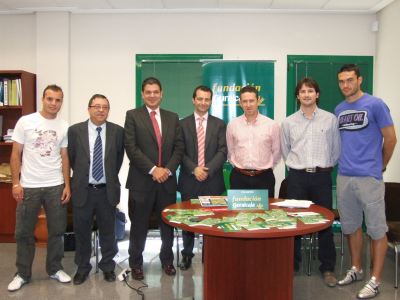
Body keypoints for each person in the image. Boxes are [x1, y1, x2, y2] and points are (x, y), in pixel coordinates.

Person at [335, 64, 397, 299]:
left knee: (376, 229)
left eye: (350, 80)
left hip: (369, 178)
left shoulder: (376, 104)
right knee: (351, 227)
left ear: (359, 80)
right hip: (345, 176)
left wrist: (380, 165)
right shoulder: (340, 108)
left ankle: (375, 279)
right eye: (341, 81)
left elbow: (391, 139)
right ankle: (357, 269)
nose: (345, 85)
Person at [8, 85, 71, 292]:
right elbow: (16, 154)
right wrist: (15, 183)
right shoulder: (25, 122)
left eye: (58, 100)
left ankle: (54, 268)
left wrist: (67, 185)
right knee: (23, 233)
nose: (54, 103)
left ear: (62, 102)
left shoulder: (64, 125)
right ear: (43, 99)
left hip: (55, 185)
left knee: (57, 231)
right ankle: (22, 273)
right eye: (50, 99)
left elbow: (64, 157)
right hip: (29, 186)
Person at [281, 77, 340, 286]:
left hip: (322, 177)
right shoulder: (288, 122)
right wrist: (298, 166)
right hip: (296, 177)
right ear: (297, 96)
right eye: (302, 91)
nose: (306, 94)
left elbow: (335, 150)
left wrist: (323, 167)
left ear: (317, 94)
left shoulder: (330, 119)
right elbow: (285, 149)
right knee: (294, 222)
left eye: (310, 91)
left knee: (325, 223)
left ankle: (328, 268)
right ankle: (292, 264)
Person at [124, 77, 184, 279]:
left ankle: (167, 260)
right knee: (139, 225)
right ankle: (136, 264)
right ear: (142, 94)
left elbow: (179, 147)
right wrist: (152, 169)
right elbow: (131, 148)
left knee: (167, 225)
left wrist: (166, 170)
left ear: (161, 93)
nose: (152, 95)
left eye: (155, 91)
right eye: (148, 92)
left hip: (166, 181)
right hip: (141, 182)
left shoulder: (172, 117)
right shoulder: (132, 116)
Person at [68, 94, 124, 285]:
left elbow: (117, 160)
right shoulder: (75, 131)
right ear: (89, 108)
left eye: (105, 107)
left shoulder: (118, 131)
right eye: (97, 106)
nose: (101, 110)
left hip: (106, 190)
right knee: (82, 232)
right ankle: (83, 267)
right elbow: (73, 158)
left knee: (108, 231)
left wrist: (104, 177)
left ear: (108, 110)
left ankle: (107, 266)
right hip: (83, 189)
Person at [177, 85, 227, 270]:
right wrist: (194, 169)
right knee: (190, 220)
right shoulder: (182, 124)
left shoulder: (219, 124)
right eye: (200, 98)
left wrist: (207, 169)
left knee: (212, 221)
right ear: (193, 99)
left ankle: (210, 255)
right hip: (189, 180)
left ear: (211, 101)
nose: (203, 102)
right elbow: (178, 151)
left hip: (212, 180)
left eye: (207, 99)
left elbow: (223, 151)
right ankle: (187, 255)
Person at [226, 85, 281, 195]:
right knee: (238, 212)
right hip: (239, 178)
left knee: (264, 212)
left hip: (264, 178)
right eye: (245, 101)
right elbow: (230, 151)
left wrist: (264, 168)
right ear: (240, 103)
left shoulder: (272, 125)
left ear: (258, 101)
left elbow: (277, 152)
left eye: (251, 101)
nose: (248, 105)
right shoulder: (232, 125)